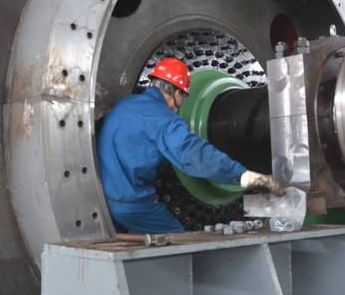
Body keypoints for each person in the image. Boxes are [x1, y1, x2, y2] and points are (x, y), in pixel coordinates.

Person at [97, 57, 283, 234]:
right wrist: (243, 176)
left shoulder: (125, 105)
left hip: (102, 201)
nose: (182, 101)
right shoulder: (165, 120)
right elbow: (196, 156)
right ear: (177, 92)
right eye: (184, 96)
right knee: (176, 239)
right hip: (131, 204)